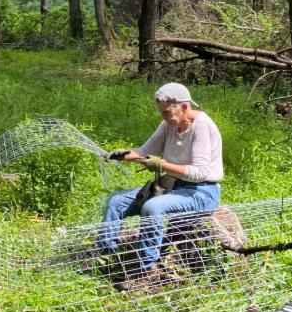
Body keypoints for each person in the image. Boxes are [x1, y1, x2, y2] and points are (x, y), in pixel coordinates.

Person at [96, 82, 223, 290]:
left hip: (201, 192)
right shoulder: (169, 125)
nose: (163, 117)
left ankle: (148, 270)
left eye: (166, 112)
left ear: (183, 107)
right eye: (162, 113)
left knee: (153, 207)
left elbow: (200, 173)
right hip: (173, 186)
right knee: (116, 201)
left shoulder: (202, 127)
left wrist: (162, 165)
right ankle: (107, 257)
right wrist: (124, 155)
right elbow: (145, 150)